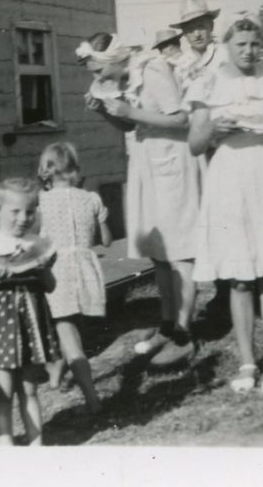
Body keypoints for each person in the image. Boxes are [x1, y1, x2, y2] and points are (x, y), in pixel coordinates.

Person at [186, 16, 263, 393]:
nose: (248, 51)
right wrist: (214, 130)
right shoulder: (208, 80)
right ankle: (246, 360)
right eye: (241, 44)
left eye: (254, 44)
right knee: (240, 279)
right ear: (227, 45)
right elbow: (194, 144)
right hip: (228, 177)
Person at [80, 33, 202, 366]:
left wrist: (129, 110)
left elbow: (182, 119)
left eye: (97, 71)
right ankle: (167, 324)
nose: (97, 79)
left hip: (174, 163)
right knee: (159, 253)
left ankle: (184, 335)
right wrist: (107, 113)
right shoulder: (128, 76)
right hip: (149, 164)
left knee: (180, 252)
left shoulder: (153, 68)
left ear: (112, 60)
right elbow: (129, 125)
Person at [0, 178, 59, 446]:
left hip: (31, 328)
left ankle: (36, 444)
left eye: (30, 212)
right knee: (3, 392)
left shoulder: (38, 244)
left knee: (30, 390)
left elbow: (50, 286)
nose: (23, 218)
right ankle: (5, 446)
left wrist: (42, 268)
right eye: (15, 212)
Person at [37, 142, 112, 414]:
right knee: (67, 325)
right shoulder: (91, 198)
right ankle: (57, 371)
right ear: (75, 169)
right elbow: (106, 240)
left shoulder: (42, 201)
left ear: (46, 171)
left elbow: (40, 241)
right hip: (85, 269)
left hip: (57, 271)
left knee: (67, 332)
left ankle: (92, 399)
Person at [169, 0, 231, 320]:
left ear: (211, 25)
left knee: (230, 215)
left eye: (201, 26)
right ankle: (220, 289)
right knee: (207, 217)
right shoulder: (178, 65)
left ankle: (235, 287)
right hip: (194, 146)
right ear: (183, 32)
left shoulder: (223, 56)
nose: (197, 34)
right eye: (190, 28)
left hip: (226, 142)